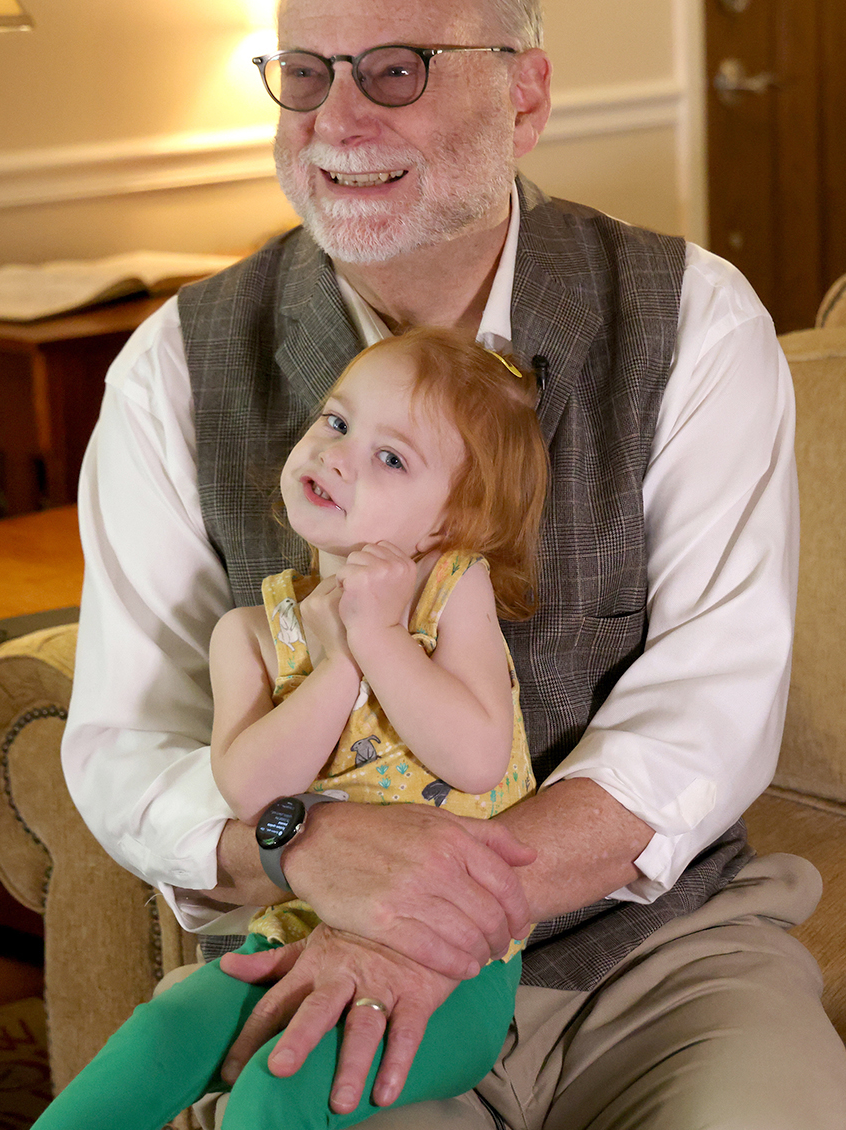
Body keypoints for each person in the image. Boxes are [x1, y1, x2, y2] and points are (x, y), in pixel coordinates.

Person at [62, 0, 846, 1128]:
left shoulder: (694, 321)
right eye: (305, 74)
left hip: (656, 963)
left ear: (525, 98)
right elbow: (123, 745)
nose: (337, 119)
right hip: (318, 962)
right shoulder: (172, 369)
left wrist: (437, 919)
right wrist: (307, 847)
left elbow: (710, 706)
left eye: (394, 71)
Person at [42, 331, 546, 1126]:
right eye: (337, 422)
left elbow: (479, 756)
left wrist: (378, 639)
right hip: (297, 929)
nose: (339, 455)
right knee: (161, 1033)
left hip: (455, 964)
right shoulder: (251, 632)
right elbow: (250, 790)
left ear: (449, 523)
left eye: (392, 459)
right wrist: (337, 661)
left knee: (277, 1089)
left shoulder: (454, 591)